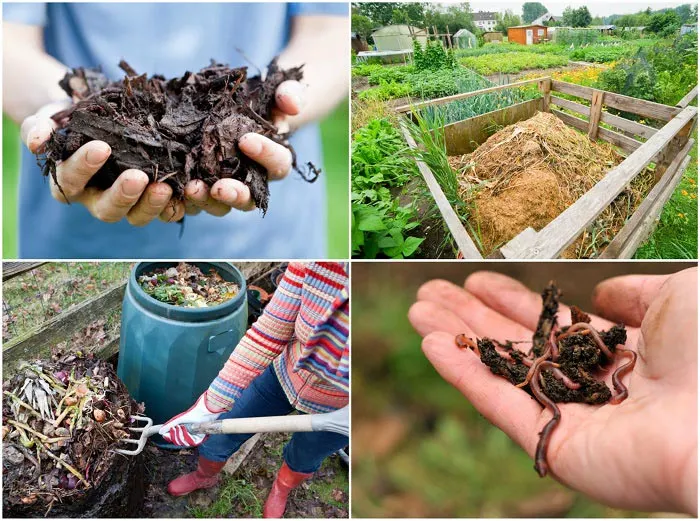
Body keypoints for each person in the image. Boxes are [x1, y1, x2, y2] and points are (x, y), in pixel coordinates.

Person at [3, 3, 347, 258]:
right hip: (78, 239)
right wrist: (66, 107)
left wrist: (278, 103)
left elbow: (328, 29)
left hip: (270, 239)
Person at [408, 268, 697, 516]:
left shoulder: (598, 359)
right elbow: (551, 366)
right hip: (553, 364)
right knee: (551, 402)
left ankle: (542, 458)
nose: (615, 393)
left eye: (618, 392)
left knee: (552, 403)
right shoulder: (554, 361)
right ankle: (542, 456)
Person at [160, 262, 349, 518]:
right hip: (283, 376)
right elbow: (269, 332)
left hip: (343, 409)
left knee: (304, 457)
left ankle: (281, 490)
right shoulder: (318, 261)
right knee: (220, 434)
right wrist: (210, 405)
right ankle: (204, 476)